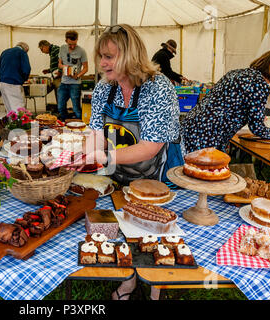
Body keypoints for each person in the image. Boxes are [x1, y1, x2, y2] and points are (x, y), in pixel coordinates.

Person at [77, 24, 183, 300]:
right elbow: (96, 132)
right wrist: (84, 157)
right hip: (117, 169)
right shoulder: (104, 88)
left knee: (153, 228)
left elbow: (150, 146)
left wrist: (102, 157)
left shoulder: (157, 88)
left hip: (155, 173)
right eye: (101, 56)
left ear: (130, 55)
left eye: (109, 57)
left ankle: (156, 287)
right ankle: (128, 280)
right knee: (123, 224)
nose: (102, 63)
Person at [181, 50, 270, 154]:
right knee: (204, 168)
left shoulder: (237, 73)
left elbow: (229, 104)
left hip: (194, 124)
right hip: (208, 133)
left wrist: (255, 116)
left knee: (190, 166)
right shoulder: (260, 84)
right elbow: (256, 127)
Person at [57, 30, 88, 121]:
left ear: (77, 40)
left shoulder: (82, 51)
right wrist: (64, 67)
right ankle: (64, 125)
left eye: (75, 44)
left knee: (76, 109)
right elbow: (59, 64)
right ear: (66, 40)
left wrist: (78, 75)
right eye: (70, 44)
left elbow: (86, 68)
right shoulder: (62, 48)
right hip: (64, 82)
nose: (73, 46)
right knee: (60, 107)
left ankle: (81, 128)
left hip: (75, 84)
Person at [0, 42, 31, 112]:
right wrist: (23, 80)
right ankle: (19, 123)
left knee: (10, 110)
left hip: (2, 84)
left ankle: (11, 123)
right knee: (19, 110)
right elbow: (27, 69)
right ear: (25, 49)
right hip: (14, 84)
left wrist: (5, 76)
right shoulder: (22, 52)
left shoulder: (4, 52)